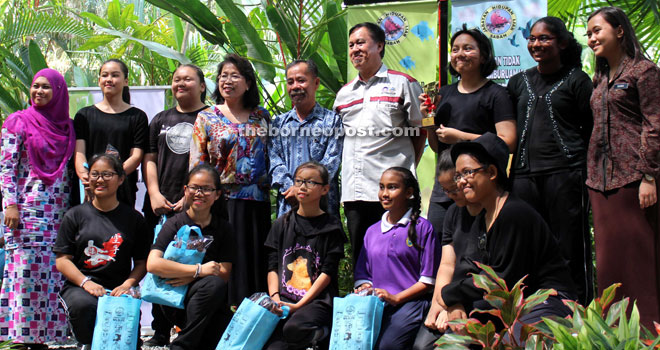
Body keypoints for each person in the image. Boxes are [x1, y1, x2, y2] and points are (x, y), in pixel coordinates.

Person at [442, 133, 576, 339]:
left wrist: (449, 293)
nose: (460, 182)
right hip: (510, 305)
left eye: (467, 172)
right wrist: (455, 302)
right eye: (458, 175)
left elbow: (501, 279)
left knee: (513, 341)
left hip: (548, 301)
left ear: (492, 172)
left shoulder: (514, 213)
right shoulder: (483, 218)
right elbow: (471, 268)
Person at [506, 17, 594, 305]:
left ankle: (575, 308)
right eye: (532, 38)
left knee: (569, 245)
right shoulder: (518, 81)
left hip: (566, 173)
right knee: (528, 244)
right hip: (523, 176)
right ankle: (533, 308)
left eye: (544, 38)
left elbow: (591, 129)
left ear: (562, 43)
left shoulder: (577, 80)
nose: (536, 44)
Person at [586, 6, 660, 328]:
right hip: (599, 184)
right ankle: (614, 333)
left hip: (634, 182)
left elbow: (655, 125)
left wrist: (648, 176)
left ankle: (649, 331)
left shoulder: (644, 71)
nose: (591, 38)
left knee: (640, 262)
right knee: (610, 266)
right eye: (588, 33)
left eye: (597, 30)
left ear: (619, 30)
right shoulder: (599, 78)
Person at [333, 22, 425, 266]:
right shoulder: (344, 94)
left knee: (398, 256)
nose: (355, 49)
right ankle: (365, 304)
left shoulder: (403, 83)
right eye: (351, 45)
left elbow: (420, 130)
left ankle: (402, 303)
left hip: (392, 192)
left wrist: (404, 173)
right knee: (362, 260)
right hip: (355, 192)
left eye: (361, 43)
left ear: (380, 45)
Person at [0, 68, 74, 348]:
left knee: (54, 274)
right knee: (25, 273)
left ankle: (48, 338)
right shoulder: (17, 122)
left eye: (46, 87)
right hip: (26, 213)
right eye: (35, 86)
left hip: (58, 214)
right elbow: (5, 167)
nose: (39, 92)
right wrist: (11, 205)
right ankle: (22, 338)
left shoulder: (66, 125)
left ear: (58, 92)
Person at [421, 25, 516, 239]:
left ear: (483, 56)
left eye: (468, 48)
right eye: (455, 49)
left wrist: (460, 137)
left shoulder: (497, 94)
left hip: (480, 185)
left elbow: (508, 142)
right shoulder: (443, 94)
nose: (460, 54)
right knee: (438, 242)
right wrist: (428, 119)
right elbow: (437, 146)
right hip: (445, 186)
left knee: (478, 246)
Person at [190, 53, 271, 304]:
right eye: (223, 76)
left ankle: (257, 316)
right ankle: (221, 319)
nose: (227, 81)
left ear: (248, 83)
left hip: (257, 201)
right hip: (221, 201)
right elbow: (198, 162)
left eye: (234, 75)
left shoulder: (262, 116)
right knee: (225, 260)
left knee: (254, 259)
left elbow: (272, 156)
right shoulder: (207, 117)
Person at [142, 64, 208, 347]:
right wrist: (154, 193)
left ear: (202, 85)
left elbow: (210, 161)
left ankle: (187, 328)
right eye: (177, 79)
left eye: (188, 79)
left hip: (197, 207)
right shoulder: (160, 119)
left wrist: (190, 198)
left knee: (191, 266)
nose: (181, 83)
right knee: (160, 265)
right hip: (160, 206)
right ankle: (159, 329)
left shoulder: (211, 116)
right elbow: (150, 159)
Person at [55, 154, 150, 348]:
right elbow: (62, 260)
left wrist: (128, 285)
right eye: (95, 174)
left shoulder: (134, 219)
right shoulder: (75, 216)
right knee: (84, 306)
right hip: (80, 287)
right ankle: (88, 344)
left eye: (107, 174)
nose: (100, 180)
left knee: (126, 338)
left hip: (119, 287)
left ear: (121, 179)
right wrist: (85, 283)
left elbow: (142, 263)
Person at [147, 164, 236, 350]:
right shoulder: (174, 224)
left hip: (207, 300)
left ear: (217, 194)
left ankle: (183, 343)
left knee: (215, 285)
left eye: (207, 189)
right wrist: (198, 270)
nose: (199, 193)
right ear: (185, 190)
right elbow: (153, 264)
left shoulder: (224, 229)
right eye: (194, 187)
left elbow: (224, 273)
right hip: (173, 297)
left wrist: (191, 276)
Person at [354, 167, 439, 350]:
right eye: (382, 187)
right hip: (376, 305)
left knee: (387, 346)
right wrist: (366, 287)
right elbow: (364, 274)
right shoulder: (372, 231)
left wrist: (396, 298)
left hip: (410, 304)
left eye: (392, 187)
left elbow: (428, 280)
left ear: (409, 192)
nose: (384, 194)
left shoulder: (423, 228)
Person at [264, 162, 346, 349]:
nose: (302, 187)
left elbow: (327, 272)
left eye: (310, 182)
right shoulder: (281, 224)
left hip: (317, 301)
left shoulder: (331, 227)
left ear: (325, 189)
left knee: (295, 328)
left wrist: (300, 305)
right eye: (299, 181)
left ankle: (324, 334)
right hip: (283, 299)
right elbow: (272, 265)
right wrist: (275, 297)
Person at [412, 150, 482, 349]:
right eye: (446, 191)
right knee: (422, 346)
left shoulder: (491, 213)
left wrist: (453, 304)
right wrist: (439, 303)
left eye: (454, 189)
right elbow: (446, 264)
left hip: (477, 296)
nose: (451, 196)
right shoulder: (452, 212)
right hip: (451, 292)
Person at [269, 60, 343, 218]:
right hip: (289, 206)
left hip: (323, 208)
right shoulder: (278, 124)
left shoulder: (332, 121)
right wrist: (292, 188)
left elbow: (332, 161)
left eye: (301, 80)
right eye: (290, 82)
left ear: (316, 83)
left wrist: (303, 189)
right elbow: (274, 162)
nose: (295, 86)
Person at [74, 59, 149, 207]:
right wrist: (88, 178)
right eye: (105, 75)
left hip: (123, 188)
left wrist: (113, 177)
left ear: (126, 81)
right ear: (99, 80)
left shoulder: (137, 117)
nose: (109, 79)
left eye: (115, 75)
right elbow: (79, 153)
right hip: (91, 188)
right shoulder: (84, 115)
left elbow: (136, 156)